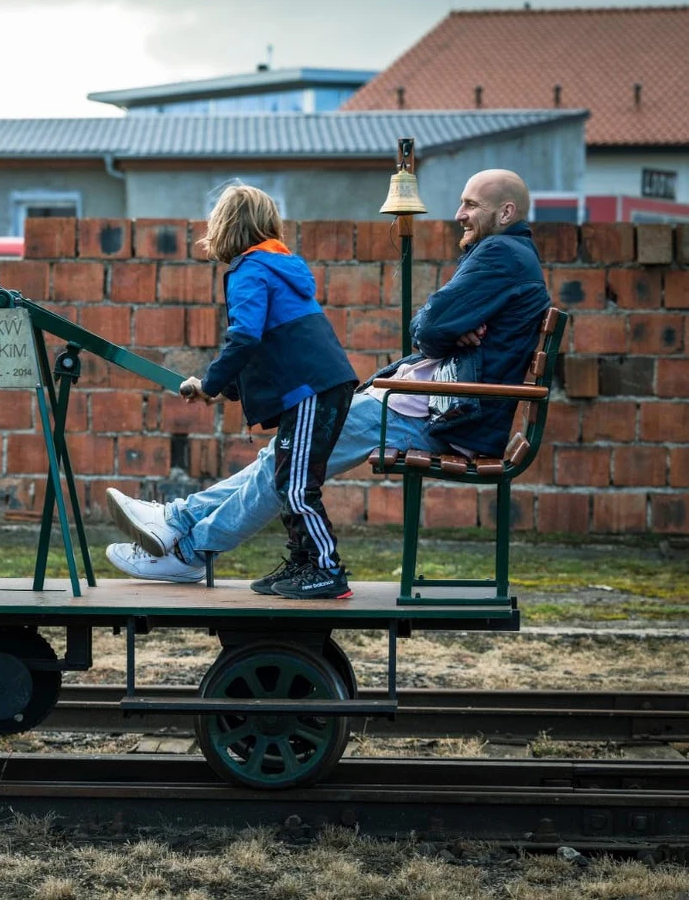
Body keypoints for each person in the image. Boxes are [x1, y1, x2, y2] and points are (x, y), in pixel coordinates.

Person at [105, 169, 552, 586]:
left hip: (436, 411)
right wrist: (447, 330)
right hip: (423, 402)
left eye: (471, 205)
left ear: (506, 212)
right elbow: (435, 329)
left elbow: (428, 328)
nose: (459, 215)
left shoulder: (500, 255)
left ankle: (186, 552)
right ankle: (179, 524)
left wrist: (444, 329)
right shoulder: (509, 258)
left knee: (284, 471)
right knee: (279, 461)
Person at [109, 185, 358, 598]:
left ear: (225, 227)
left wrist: (208, 383)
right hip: (318, 387)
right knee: (287, 480)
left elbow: (244, 339)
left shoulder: (250, 271)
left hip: (313, 389)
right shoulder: (278, 265)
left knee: (295, 486)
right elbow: (272, 346)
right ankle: (302, 563)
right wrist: (219, 389)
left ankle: (326, 568)